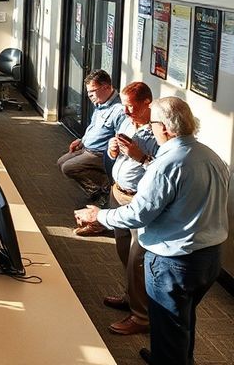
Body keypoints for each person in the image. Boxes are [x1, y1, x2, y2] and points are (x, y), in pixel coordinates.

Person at [75, 97, 229, 365]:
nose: (149, 127)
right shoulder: (210, 155)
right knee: (184, 319)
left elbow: (139, 214)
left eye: (152, 123)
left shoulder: (167, 163)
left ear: (165, 128)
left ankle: (168, 358)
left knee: (168, 324)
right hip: (210, 258)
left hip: (174, 262)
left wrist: (99, 215)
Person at [80, 82, 159, 336]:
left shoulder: (160, 131)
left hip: (139, 201)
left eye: (131, 106)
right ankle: (131, 296)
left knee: (138, 259)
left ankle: (141, 316)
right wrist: (113, 152)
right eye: (123, 105)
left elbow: (162, 171)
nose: (125, 111)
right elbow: (117, 155)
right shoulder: (127, 121)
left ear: (147, 103)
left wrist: (138, 156)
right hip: (118, 193)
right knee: (125, 252)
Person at [57, 69, 126, 204]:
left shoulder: (118, 110)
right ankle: (98, 190)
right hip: (87, 147)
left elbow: (120, 138)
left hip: (100, 154)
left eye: (92, 91)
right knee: (61, 162)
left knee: (68, 167)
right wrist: (82, 140)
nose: (89, 95)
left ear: (106, 87)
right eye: (88, 91)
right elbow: (93, 126)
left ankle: (104, 187)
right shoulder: (100, 102)